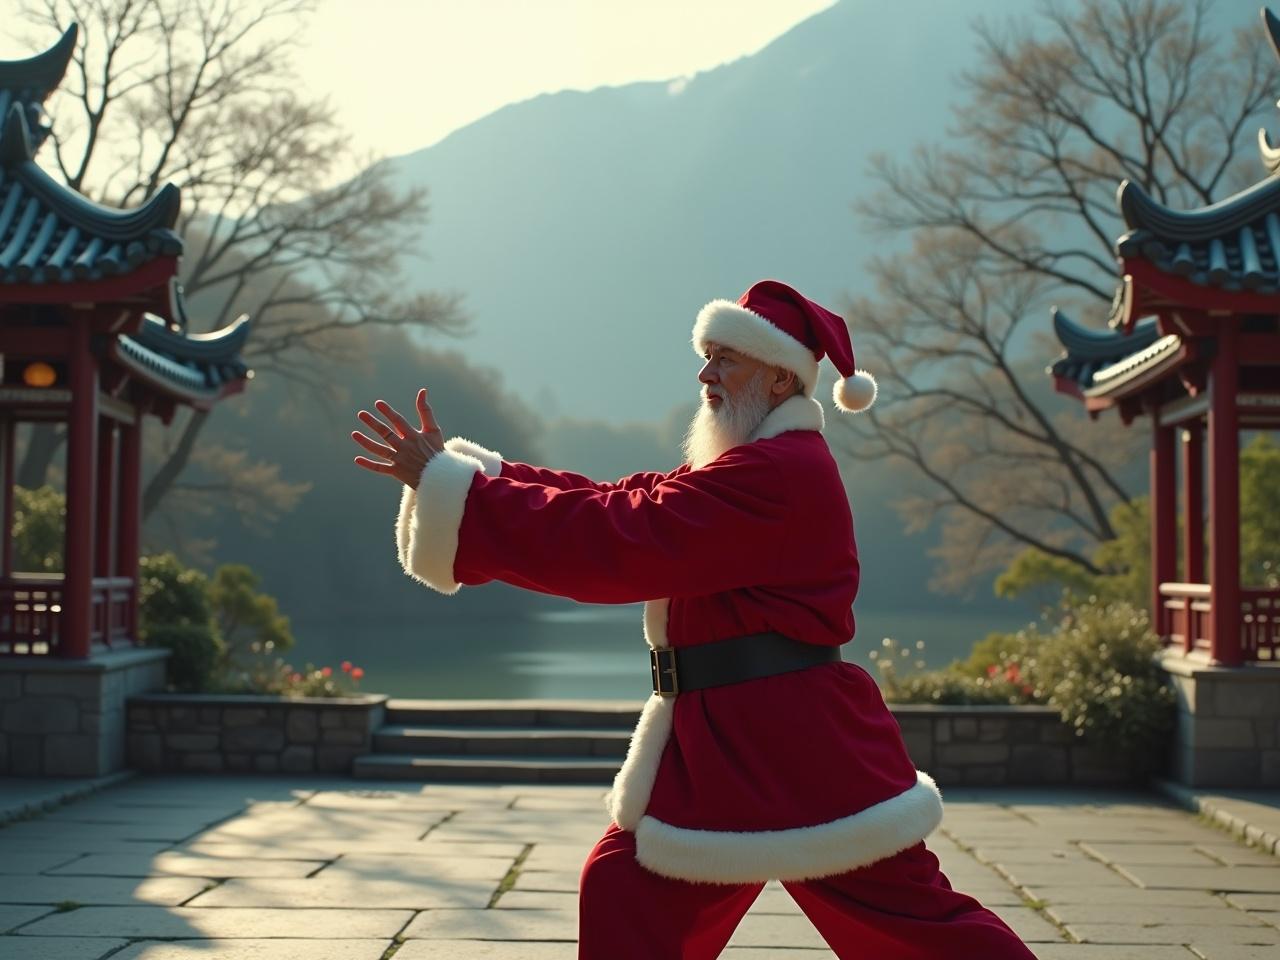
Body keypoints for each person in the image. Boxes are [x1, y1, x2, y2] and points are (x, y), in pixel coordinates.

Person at [351, 280, 1038, 960]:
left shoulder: (777, 473)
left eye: (725, 358)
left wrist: (462, 496)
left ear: (777, 378)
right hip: (735, 740)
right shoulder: (751, 466)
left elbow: (622, 536)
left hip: (794, 743)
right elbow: (622, 498)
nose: (706, 373)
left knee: (915, 923)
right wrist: (480, 478)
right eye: (706, 355)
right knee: (626, 887)